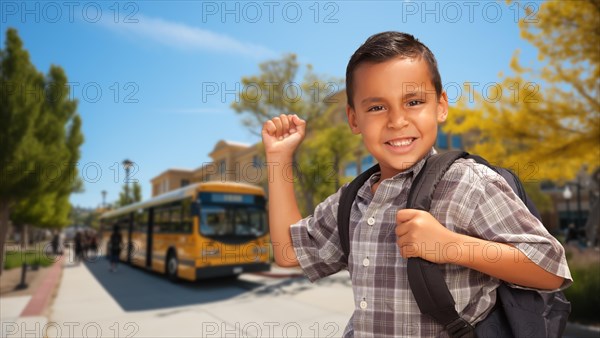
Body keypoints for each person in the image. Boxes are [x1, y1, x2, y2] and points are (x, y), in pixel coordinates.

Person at [262, 31, 572, 337]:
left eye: (413, 101)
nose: (397, 120)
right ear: (354, 119)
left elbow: (551, 269)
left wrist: (451, 246)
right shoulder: (352, 200)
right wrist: (278, 158)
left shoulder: (468, 183)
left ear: (440, 105)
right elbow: (289, 254)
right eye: (376, 107)